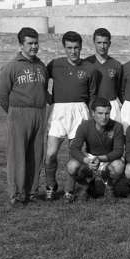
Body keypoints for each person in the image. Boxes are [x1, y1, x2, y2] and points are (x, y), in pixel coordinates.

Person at [0, 27, 48, 205]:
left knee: (36, 154)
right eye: (30, 43)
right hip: (18, 113)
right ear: (21, 45)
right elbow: (2, 94)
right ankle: (17, 194)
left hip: (39, 113)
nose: (34, 47)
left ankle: (31, 192)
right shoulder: (12, 66)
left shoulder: (41, 66)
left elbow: (43, 90)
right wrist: (12, 112)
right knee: (17, 155)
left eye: (36, 43)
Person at [45, 31, 98, 201]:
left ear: (81, 47)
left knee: (74, 154)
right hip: (59, 111)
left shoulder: (89, 68)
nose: (73, 51)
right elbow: (42, 82)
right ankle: (50, 185)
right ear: (64, 47)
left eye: (76, 48)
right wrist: (50, 99)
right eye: (69, 47)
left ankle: (69, 190)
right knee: (50, 154)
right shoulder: (55, 64)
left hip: (79, 111)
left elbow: (92, 95)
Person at [66, 98, 125, 202]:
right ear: (93, 113)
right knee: (71, 166)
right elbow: (74, 148)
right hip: (90, 159)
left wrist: (101, 158)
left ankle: (109, 188)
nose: (104, 117)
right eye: (100, 113)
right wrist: (86, 160)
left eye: (107, 113)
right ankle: (86, 186)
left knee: (119, 166)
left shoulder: (117, 126)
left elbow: (119, 151)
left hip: (107, 159)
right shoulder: (84, 126)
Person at [83, 28, 123, 123]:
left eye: (105, 43)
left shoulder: (116, 65)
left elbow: (120, 89)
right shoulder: (86, 63)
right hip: (92, 107)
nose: (102, 46)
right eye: (99, 42)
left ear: (109, 43)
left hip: (111, 107)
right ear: (94, 43)